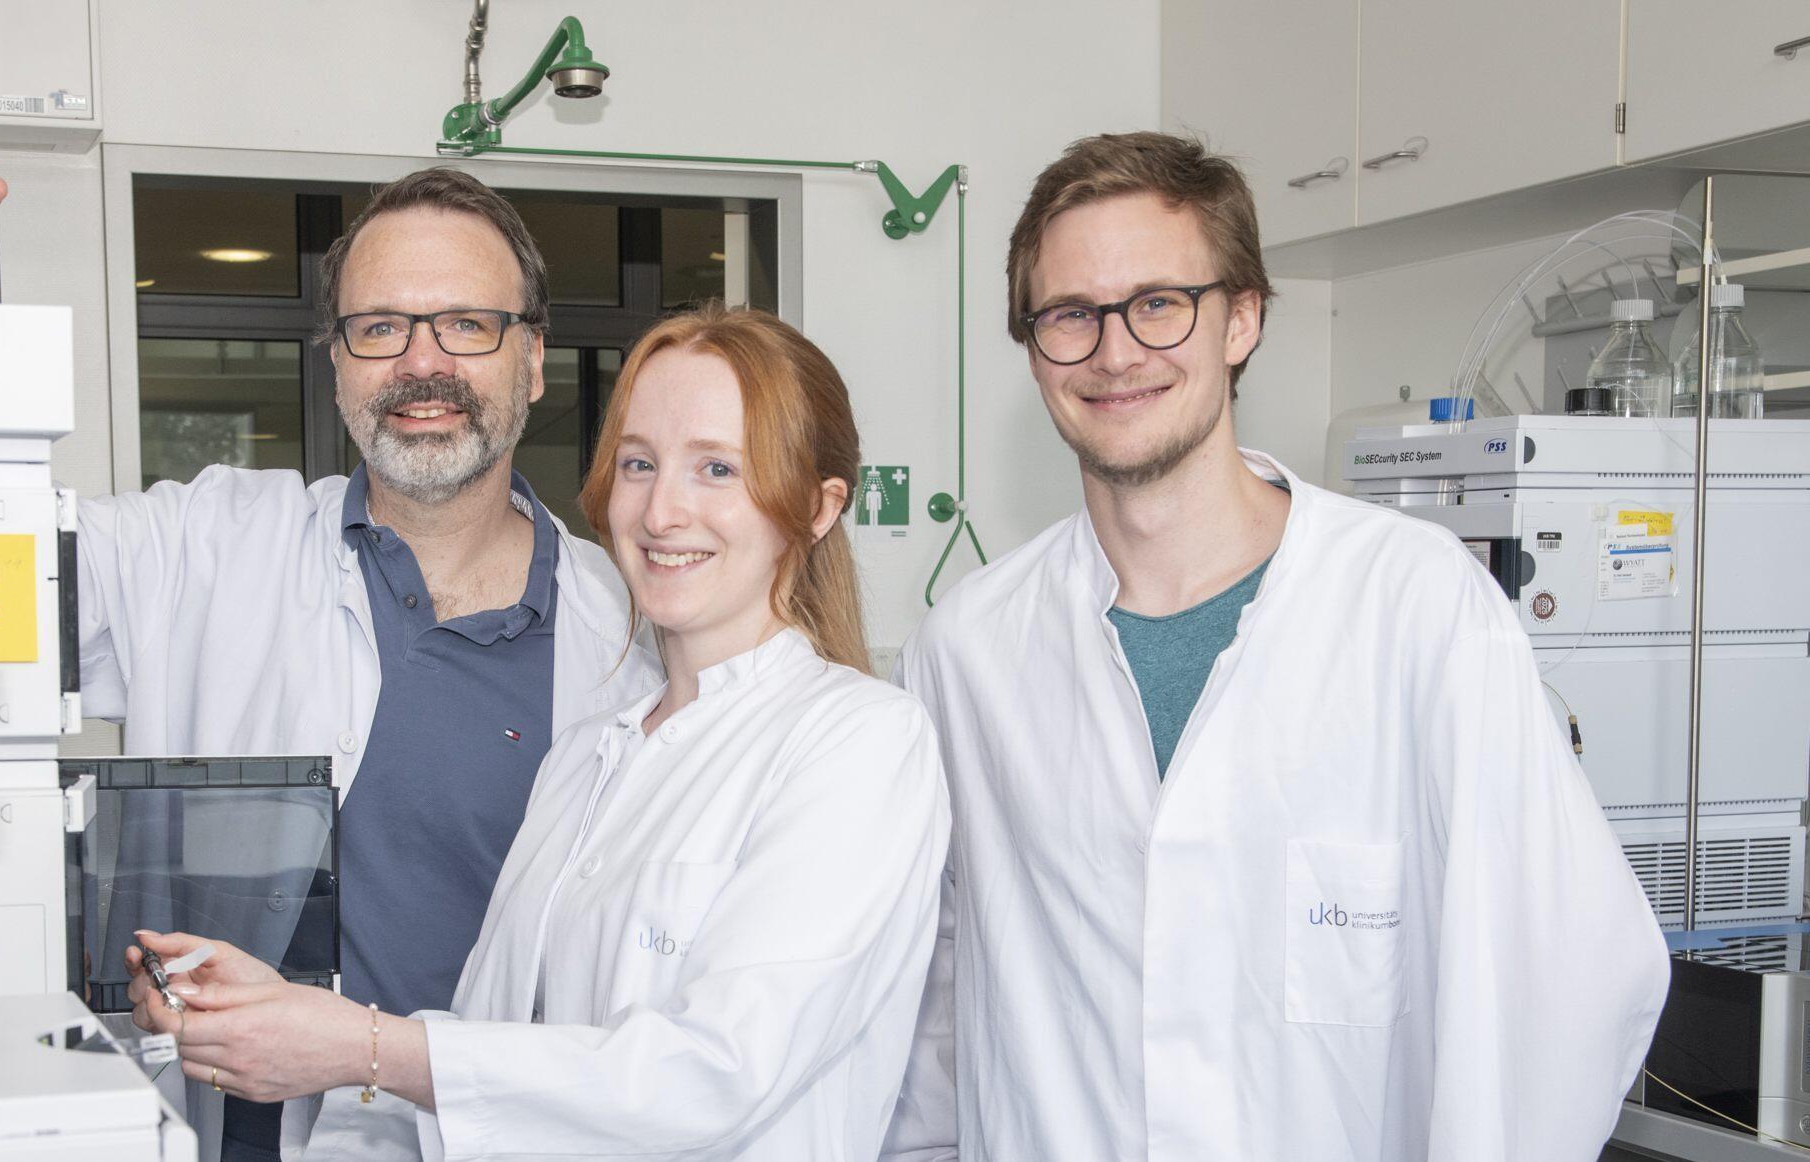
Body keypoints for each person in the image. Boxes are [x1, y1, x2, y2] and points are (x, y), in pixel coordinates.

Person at [879, 132, 1669, 1161]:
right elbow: (931, 998)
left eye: (1159, 303)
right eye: (1069, 315)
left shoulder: (1418, 609)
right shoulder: (967, 649)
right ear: (1032, 347)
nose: (1114, 352)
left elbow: (1572, 965)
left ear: (1240, 317)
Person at [130, 303, 951, 1162]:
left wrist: (362, 1044)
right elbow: (500, 1059)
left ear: (818, 508)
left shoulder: (860, 743)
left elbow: (712, 1073)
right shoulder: (586, 757)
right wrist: (284, 1019)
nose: (662, 511)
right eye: (638, 463)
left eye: (717, 468)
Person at [77, 167, 660, 1160]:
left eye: (466, 324)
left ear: (531, 360)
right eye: (379, 327)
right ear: (338, 362)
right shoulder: (203, 548)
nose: (419, 363)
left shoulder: (635, 639)